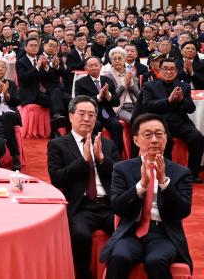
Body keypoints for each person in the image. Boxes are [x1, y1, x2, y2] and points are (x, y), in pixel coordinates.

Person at [101, 114, 194, 278]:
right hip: (131, 231)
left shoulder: (181, 172)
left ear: (166, 139)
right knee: (119, 257)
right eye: (147, 134)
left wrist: (164, 183)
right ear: (136, 140)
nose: (154, 140)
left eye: (159, 134)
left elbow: (183, 210)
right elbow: (117, 206)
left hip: (163, 234)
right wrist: (141, 185)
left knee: (156, 260)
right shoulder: (122, 168)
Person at [47, 96, 120, 279]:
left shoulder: (107, 144)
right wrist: (83, 161)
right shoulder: (58, 145)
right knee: (80, 235)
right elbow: (57, 180)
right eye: (82, 114)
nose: (87, 119)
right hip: (81, 206)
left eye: (91, 115)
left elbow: (120, 176)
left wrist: (102, 159)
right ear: (71, 116)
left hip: (109, 204)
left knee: (125, 233)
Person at [140, 58, 203, 183]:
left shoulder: (183, 86)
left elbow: (191, 109)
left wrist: (181, 101)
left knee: (198, 138)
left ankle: (192, 173)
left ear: (176, 71)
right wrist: (167, 101)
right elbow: (147, 105)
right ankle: (166, 173)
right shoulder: (149, 86)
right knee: (166, 140)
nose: (168, 72)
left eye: (172, 69)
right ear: (160, 70)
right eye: (165, 69)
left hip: (180, 122)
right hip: (159, 123)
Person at [74, 57, 123, 141]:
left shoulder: (108, 80)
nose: (94, 68)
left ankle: (115, 152)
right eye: (91, 66)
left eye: (96, 65)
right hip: (90, 114)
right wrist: (98, 97)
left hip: (106, 113)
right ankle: (93, 151)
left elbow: (116, 102)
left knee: (116, 125)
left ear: (100, 66)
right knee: (96, 125)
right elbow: (80, 102)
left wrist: (108, 95)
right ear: (85, 68)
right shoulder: (80, 83)